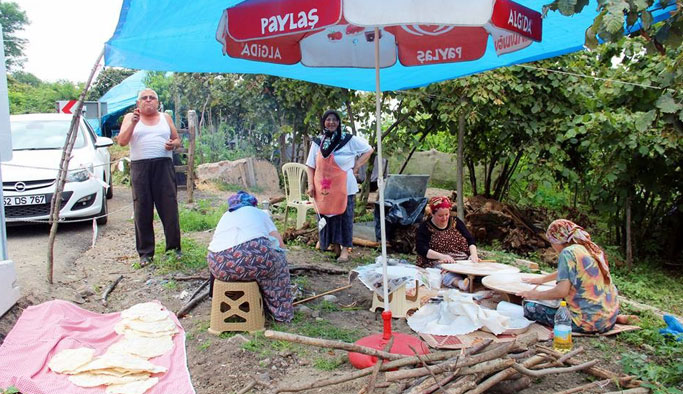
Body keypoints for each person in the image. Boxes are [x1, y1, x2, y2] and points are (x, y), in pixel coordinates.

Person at [517, 219, 619, 333]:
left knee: (529, 307)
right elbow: (573, 271)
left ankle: (584, 320)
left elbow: (561, 292)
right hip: (608, 320)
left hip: (586, 323)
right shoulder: (585, 248)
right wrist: (542, 279)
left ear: (556, 240)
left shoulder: (567, 253)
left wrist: (534, 294)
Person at [207, 191, 293, 322]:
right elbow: (281, 245)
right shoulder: (259, 213)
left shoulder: (226, 215)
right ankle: (281, 312)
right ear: (253, 204)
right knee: (279, 260)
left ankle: (226, 299)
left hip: (218, 264)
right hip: (252, 259)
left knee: (239, 258)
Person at [119, 88, 182, 266]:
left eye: (152, 98)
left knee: (169, 208)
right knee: (142, 210)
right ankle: (145, 253)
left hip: (163, 166)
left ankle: (174, 249)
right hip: (140, 168)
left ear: (157, 102)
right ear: (138, 103)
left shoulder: (165, 118)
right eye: (144, 98)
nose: (148, 100)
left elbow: (177, 139)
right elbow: (122, 141)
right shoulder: (129, 118)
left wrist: (173, 144)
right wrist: (133, 123)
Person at [306, 109, 373, 262]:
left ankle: (344, 251)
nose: (331, 122)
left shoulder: (348, 140)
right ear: (324, 122)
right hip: (325, 187)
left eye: (334, 119)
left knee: (345, 217)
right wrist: (311, 185)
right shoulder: (318, 142)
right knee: (328, 216)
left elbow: (369, 150)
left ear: (339, 122)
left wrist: (356, 166)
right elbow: (310, 165)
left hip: (345, 187)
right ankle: (332, 245)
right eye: (328, 119)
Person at [415, 196, 480, 291]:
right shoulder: (425, 227)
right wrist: (442, 256)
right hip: (438, 260)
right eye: (440, 216)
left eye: (447, 214)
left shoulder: (456, 222)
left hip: (461, 259)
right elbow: (421, 248)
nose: (444, 218)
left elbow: (470, 240)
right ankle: (460, 283)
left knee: (477, 270)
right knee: (442, 272)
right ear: (432, 214)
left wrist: (474, 255)